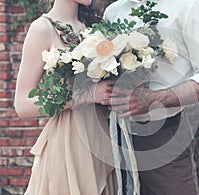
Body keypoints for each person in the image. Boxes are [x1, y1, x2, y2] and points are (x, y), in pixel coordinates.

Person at [102, 0, 199, 194]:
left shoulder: (191, 5)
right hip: (114, 137)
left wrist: (154, 99)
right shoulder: (113, 11)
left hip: (165, 137)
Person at [14, 0, 117, 194]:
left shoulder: (94, 27)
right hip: (69, 142)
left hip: (102, 137)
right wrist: (87, 95)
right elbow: (22, 104)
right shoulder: (42, 29)